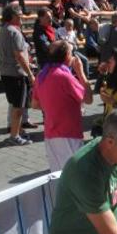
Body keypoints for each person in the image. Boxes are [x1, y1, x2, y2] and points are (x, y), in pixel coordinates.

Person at [31, 41, 93, 171]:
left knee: (58, 175)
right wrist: (81, 73)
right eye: (72, 52)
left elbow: (35, 104)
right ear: (67, 56)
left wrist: (54, 105)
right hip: (68, 133)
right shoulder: (65, 77)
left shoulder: (42, 75)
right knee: (74, 174)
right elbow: (88, 99)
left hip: (51, 133)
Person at [0, 4, 35, 145]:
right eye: (19, 15)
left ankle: (17, 130)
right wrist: (30, 74)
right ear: (12, 16)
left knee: (15, 104)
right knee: (19, 106)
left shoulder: (3, 29)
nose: (22, 17)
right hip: (16, 73)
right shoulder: (14, 31)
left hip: (7, 73)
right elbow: (19, 55)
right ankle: (15, 136)